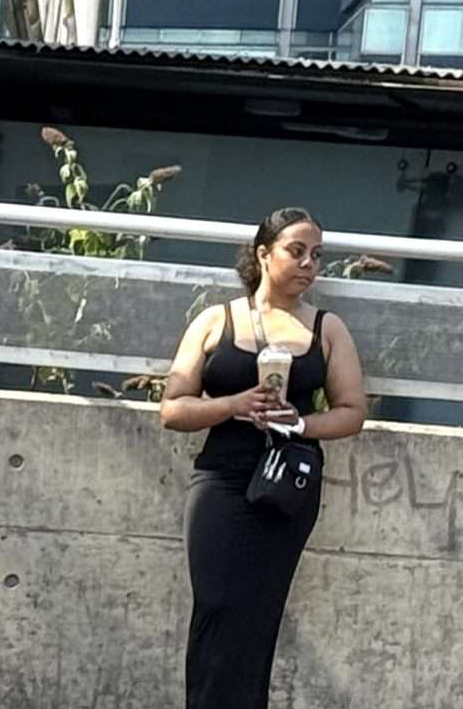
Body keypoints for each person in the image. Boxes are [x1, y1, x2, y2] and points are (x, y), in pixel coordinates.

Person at [159, 207, 368, 709]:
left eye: (316, 255)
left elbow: (352, 412)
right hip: (221, 480)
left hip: (286, 482)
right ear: (263, 253)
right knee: (215, 605)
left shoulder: (326, 328)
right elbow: (172, 408)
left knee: (258, 616)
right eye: (296, 251)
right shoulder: (216, 320)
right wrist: (234, 405)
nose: (308, 264)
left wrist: (299, 423)